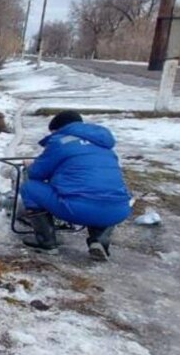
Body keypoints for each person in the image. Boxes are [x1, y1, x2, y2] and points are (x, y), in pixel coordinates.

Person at [20, 110, 131, 260]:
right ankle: (99, 240)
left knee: (30, 187)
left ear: (58, 129)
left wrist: (31, 165)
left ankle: (47, 242)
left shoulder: (61, 141)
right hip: (118, 210)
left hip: (78, 209)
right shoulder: (103, 143)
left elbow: (37, 174)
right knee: (102, 193)